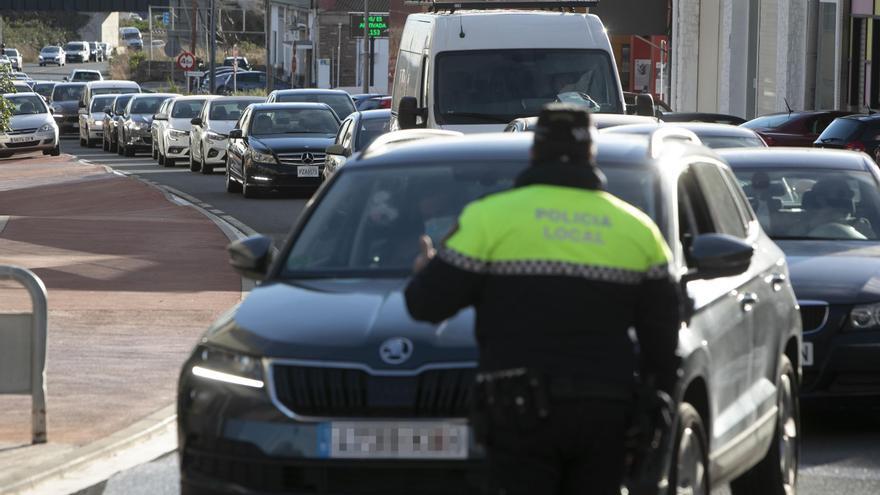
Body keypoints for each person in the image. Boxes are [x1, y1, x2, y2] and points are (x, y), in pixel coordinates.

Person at [404, 103, 681, 495]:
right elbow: (663, 344)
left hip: (517, 415)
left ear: (534, 151)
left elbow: (425, 306)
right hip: (605, 414)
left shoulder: (488, 219)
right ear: (591, 153)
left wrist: (426, 271)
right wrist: (653, 409)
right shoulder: (638, 230)